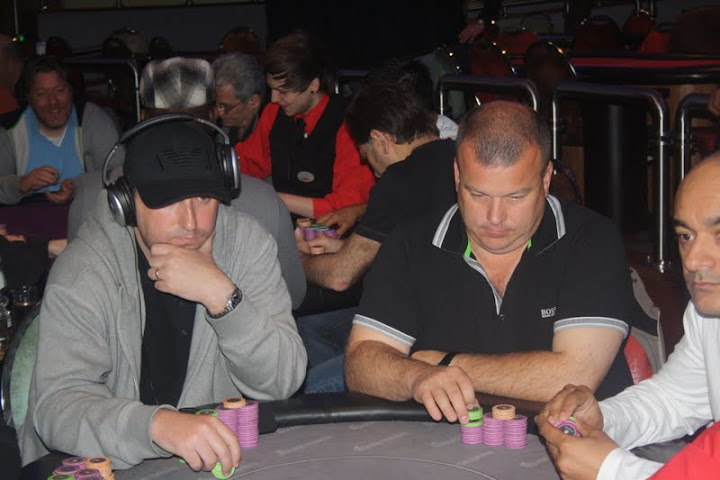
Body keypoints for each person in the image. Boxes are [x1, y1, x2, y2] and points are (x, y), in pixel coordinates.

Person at [19, 119, 307, 472]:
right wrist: (157, 426)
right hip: (105, 466)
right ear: (126, 202)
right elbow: (57, 408)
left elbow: (282, 381)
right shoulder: (84, 269)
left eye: (204, 198)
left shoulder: (248, 245)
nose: (191, 222)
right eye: (168, 200)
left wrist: (222, 297)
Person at [345, 101, 637, 425]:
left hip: (573, 446)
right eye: (478, 194)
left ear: (545, 179)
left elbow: (572, 378)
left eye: (515, 197)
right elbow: (360, 364)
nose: (495, 218)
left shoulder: (591, 239)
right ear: (457, 175)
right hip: (447, 447)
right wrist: (414, 377)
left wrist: (446, 363)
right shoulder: (411, 242)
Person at [67, 56, 306, 309]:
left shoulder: (91, 196)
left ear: (143, 117)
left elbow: (79, 296)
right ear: (213, 115)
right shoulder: (265, 201)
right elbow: (292, 297)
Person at [536, 152, 720, 480]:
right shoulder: (709, 313)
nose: (693, 261)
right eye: (686, 236)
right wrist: (603, 420)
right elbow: (674, 400)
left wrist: (611, 470)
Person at [297, 84, 456, 392]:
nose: (371, 168)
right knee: (313, 329)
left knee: (313, 384)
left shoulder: (400, 178)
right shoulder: (458, 156)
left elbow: (340, 277)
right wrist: (344, 247)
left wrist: (300, 259)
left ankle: (363, 393)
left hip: (421, 335)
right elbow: (412, 248)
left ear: (381, 140)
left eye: (366, 156)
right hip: (448, 314)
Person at [236, 32, 375, 218]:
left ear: (313, 85)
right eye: (272, 89)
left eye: (283, 91)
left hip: (330, 227)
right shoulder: (273, 113)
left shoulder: (348, 123)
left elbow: (346, 206)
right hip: (283, 221)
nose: (274, 99)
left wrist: (274, 199)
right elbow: (250, 163)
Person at [0, 55, 122, 205]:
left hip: (85, 214)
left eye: (59, 91)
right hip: (23, 218)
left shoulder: (93, 120)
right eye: (41, 94)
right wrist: (20, 185)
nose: (53, 102)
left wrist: (77, 188)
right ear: (29, 98)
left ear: (70, 91)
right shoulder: (9, 130)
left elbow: (118, 174)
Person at [212, 52, 265, 145]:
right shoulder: (219, 130)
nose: (219, 113)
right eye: (216, 105)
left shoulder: (270, 137)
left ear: (253, 102)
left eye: (226, 107)